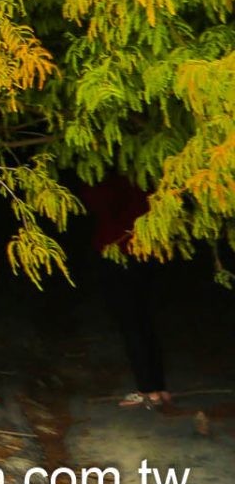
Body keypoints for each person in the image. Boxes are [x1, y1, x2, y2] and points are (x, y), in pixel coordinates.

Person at [80, 174, 169, 409]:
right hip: (146, 250)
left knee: (132, 324)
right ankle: (157, 386)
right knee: (145, 321)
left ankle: (148, 390)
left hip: (119, 252)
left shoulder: (110, 178)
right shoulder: (143, 175)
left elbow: (95, 203)